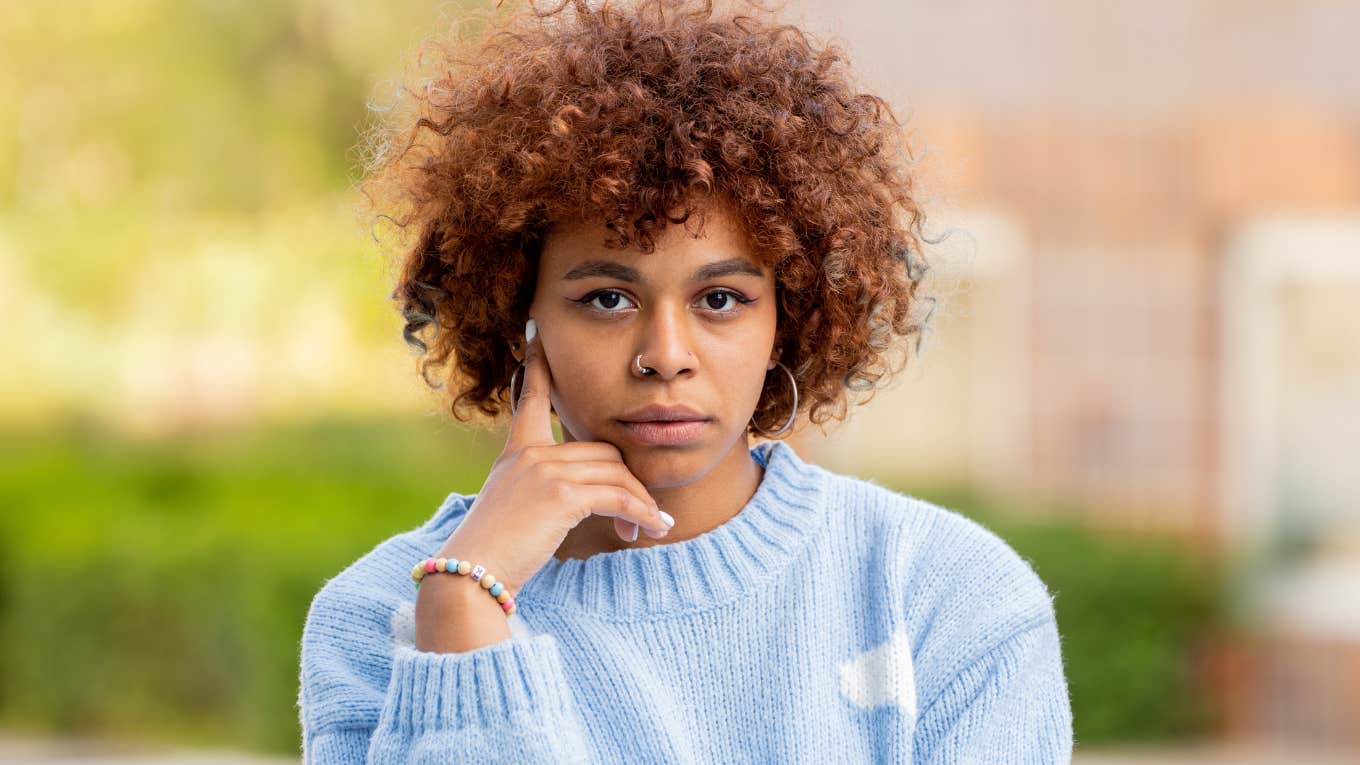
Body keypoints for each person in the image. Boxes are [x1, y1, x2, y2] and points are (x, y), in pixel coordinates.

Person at [298, 1, 1073, 762]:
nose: (665, 354)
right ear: (515, 315)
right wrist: (465, 614)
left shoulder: (947, 599)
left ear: (788, 320)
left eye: (721, 299)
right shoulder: (377, 623)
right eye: (608, 298)